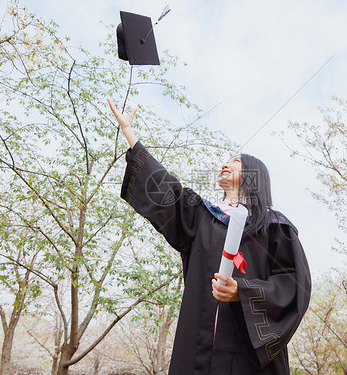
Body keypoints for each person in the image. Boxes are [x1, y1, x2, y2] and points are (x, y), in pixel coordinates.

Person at [109, 99, 311, 375]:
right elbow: (166, 187)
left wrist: (243, 291)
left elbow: (293, 284)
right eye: (226, 161)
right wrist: (129, 133)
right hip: (198, 349)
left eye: (236, 162)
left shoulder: (275, 226)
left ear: (255, 177)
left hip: (246, 358)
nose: (226, 165)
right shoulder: (203, 215)